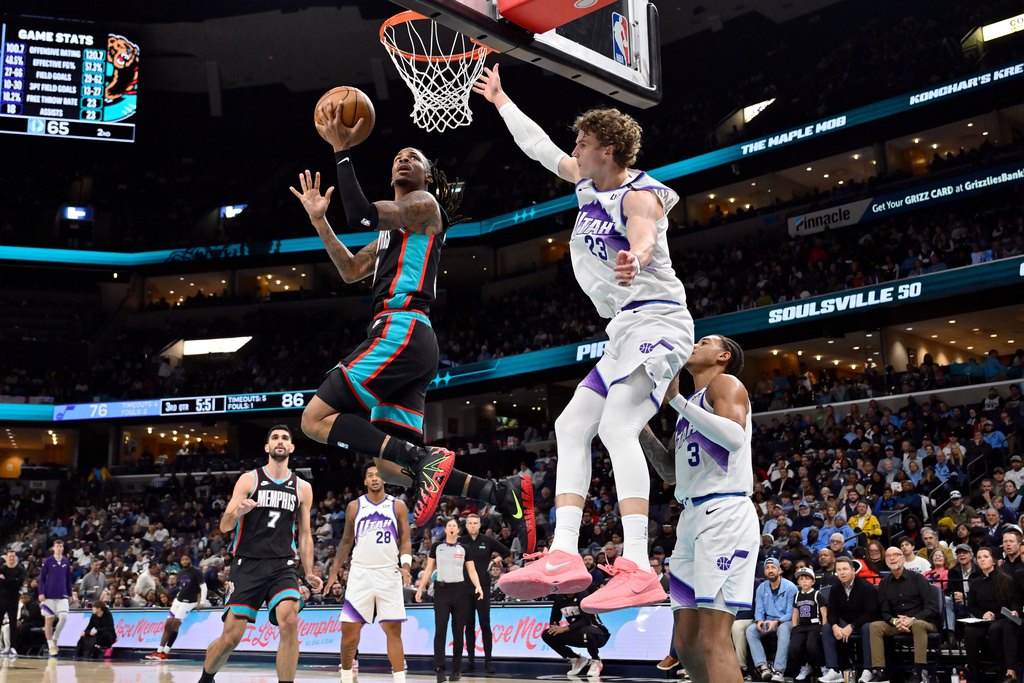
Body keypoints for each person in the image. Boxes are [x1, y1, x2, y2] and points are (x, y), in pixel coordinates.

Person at [475, 65, 693, 610]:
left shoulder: (638, 196)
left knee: (619, 427)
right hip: (624, 331)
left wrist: (634, 258)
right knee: (571, 425)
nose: (576, 149)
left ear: (610, 151)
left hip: (659, 321)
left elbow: (643, 237)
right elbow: (540, 148)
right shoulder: (586, 181)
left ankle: (640, 566)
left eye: (585, 143)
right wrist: (502, 100)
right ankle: (565, 552)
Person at [292, 108, 534, 552]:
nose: (404, 158)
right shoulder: (395, 229)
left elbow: (363, 215)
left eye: (414, 156)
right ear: (391, 173)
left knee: (313, 419)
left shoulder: (423, 206)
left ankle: (427, 460)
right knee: (387, 469)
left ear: (426, 174)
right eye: (399, 155)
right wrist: (319, 222)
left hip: (400, 329)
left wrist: (341, 150)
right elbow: (349, 270)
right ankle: (500, 493)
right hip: (409, 339)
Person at [644, 335, 758, 683]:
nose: (694, 344)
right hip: (690, 518)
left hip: (724, 513)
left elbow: (734, 437)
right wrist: (633, 427)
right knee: (685, 640)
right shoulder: (689, 406)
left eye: (704, 341)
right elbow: (670, 472)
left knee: (713, 635)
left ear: (723, 356)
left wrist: (675, 400)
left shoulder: (726, 383)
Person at [197, 425, 322, 683]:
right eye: (274, 437)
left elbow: (305, 534)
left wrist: (308, 572)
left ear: (291, 447)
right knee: (230, 639)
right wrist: (237, 512)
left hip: (282, 565)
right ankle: (206, 678)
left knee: (289, 620)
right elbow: (224, 526)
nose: (280, 441)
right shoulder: (249, 479)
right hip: (247, 564)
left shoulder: (302, 487)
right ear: (267, 447)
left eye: (285, 438)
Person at [325, 462, 413, 683]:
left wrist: (406, 565)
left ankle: (400, 679)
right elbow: (346, 541)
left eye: (378, 475)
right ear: (365, 481)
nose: (374, 478)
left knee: (393, 631)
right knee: (348, 633)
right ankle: (346, 677)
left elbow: (406, 541)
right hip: (360, 574)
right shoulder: (355, 506)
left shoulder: (398, 506)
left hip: (388, 573)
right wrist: (334, 572)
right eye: (370, 475)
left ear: (384, 479)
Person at [415, 518, 484, 682]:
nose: (452, 528)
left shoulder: (464, 548)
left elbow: (472, 571)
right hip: (441, 591)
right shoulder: (437, 547)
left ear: (458, 530)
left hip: (460, 591)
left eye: (454, 525)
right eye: (449, 526)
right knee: (440, 631)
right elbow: (429, 569)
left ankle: (456, 669)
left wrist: (478, 586)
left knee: (458, 632)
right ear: (445, 530)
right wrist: (420, 588)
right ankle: (439, 669)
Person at [866, 546, 940, 683]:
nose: (892, 558)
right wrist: (895, 621)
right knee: (875, 626)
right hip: (898, 623)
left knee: (917, 625)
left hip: (922, 621)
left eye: (896, 555)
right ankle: (880, 671)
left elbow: (932, 607)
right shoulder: (884, 583)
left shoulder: (918, 578)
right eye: (888, 556)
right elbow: (884, 611)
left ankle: (919, 670)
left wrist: (912, 619)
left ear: (903, 558)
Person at [458, 513, 511, 673]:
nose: (473, 525)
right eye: (470, 523)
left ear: (480, 524)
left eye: (475, 523)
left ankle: (488, 661)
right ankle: (471, 661)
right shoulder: (461, 542)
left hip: (484, 586)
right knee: (468, 626)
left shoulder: (487, 540)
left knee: (485, 625)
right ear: (466, 525)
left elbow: (507, 552)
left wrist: (494, 561)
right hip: (465, 588)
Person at [962, 547, 1019, 683]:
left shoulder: (1006, 580)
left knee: (995, 629)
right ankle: (974, 671)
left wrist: (996, 616)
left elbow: (1011, 604)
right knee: (969, 631)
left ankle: (1001, 671)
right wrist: (983, 615)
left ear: (994, 561)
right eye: (979, 557)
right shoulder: (975, 582)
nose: (982, 559)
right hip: (984, 619)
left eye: (986, 556)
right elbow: (972, 605)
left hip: (1002, 617)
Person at [818, 557, 880, 683]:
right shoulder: (836, 588)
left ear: (853, 570)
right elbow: (832, 612)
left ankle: (868, 670)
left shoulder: (866, 587)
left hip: (863, 622)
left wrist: (851, 626)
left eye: (845, 569)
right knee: (827, 628)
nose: (842, 572)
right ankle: (834, 670)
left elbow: (872, 613)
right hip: (845, 622)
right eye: (839, 570)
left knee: (869, 628)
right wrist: (835, 626)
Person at [145, 554, 206, 660]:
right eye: (183, 559)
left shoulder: (196, 571)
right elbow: (183, 588)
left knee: (175, 625)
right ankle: (159, 651)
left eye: (187, 559)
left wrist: (202, 602)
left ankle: (166, 652)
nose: (184, 561)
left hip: (189, 602)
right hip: (178, 601)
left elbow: (203, 587)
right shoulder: (181, 572)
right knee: (167, 625)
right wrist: (177, 598)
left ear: (190, 560)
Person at [745, 558, 797, 682]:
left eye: (773, 567)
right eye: (767, 568)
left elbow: (791, 613)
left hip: (785, 621)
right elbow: (759, 610)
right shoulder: (761, 588)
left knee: (784, 629)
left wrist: (778, 622)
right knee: (750, 630)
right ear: (764, 572)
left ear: (780, 570)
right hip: (768, 621)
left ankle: (779, 670)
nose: (770, 570)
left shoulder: (791, 587)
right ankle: (763, 668)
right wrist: (759, 621)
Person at [541, 584, 610, 677]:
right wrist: (554, 626)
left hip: (598, 633)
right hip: (577, 633)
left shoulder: (583, 594)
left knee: (587, 631)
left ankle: (596, 660)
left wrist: (564, 628)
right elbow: (554, 618)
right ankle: (575, 658)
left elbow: (586, 620)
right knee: (547, 634)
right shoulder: (559, 598)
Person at [787, 568, 825, 682]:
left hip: (815, 625)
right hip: (801, 626)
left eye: (807, 579)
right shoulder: (797, 595)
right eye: (801, 579)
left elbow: (824, 613)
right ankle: (804, 666)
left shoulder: (817, 594)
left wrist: (824, 628)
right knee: (793, 648)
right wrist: (794, 627)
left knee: (812, 646)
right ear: (798, 582)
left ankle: (823, 667)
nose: (804, 581)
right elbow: (795, 613)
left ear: (813, 581)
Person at [39, 539, 72, 657]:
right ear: (53, 548)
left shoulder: (66, 562)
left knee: (64, 617)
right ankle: (50, 645)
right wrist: (41, 592)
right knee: (49, 620)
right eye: (57, 546)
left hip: (62, 595)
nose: (58, 548)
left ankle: (55, 637)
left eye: (60, 546)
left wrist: (70, 594)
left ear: (63, 548)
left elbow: (68, 579)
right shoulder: (48, 561)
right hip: (48, 597)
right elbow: (41, 578)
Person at [0, 550, 25, 657]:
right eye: (9, 556)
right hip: (1, 599)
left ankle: (13, 647)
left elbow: (19, 583)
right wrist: (12, 581)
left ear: (15, 557)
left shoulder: (20, 569)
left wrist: (5, 581)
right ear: (6, 557)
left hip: (13, 599)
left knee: (13, 623)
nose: (11, 558)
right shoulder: (2, 568)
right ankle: (2, 646)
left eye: (13, 556)